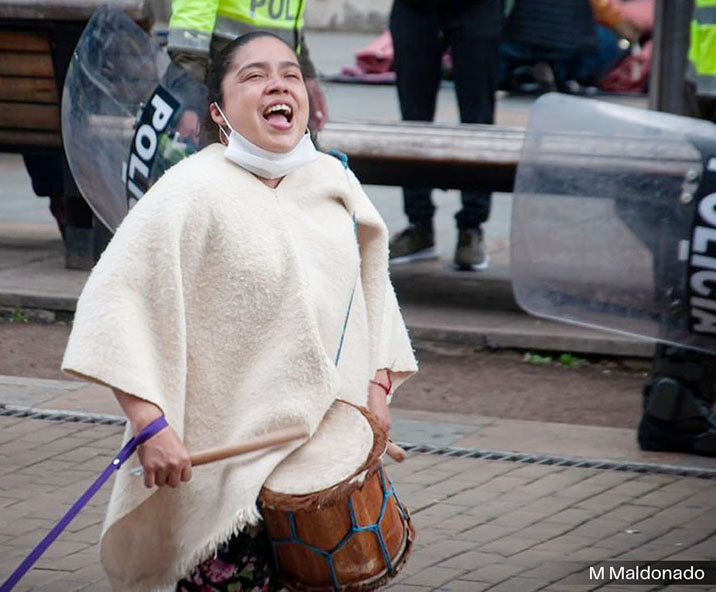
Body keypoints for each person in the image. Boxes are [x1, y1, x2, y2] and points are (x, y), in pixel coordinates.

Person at [61, 32, 418, 591]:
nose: (277, 83)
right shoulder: (189, 191)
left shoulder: (334, 181)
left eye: (290, 73)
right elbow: (117, 308)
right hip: (222, 474)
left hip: (324, 470)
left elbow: (374, 293)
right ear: (219, 111)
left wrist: (377, 389)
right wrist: (150, 426)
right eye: (254, 75)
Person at [637, 0, 716, 458]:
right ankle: (676, 403)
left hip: (703, 86)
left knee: (696, 255)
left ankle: (675, 400)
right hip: (705, 91)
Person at [388, 0, 504, 270]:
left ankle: (471, 228)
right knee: (413, 120)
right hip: (414, 8)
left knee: (477, 120)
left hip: (479, 8)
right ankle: (420, 226)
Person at [167, 0, 329, 131]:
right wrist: (189, 97)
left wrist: (304, 71)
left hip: (259, 84)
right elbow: (191, 26)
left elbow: (287, 22)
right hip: (222, 85)